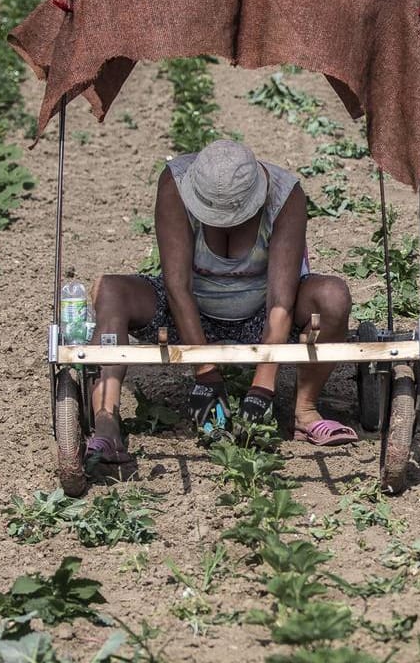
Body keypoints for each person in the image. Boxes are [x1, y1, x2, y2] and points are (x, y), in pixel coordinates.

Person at [87, 139, 358, 459]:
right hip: (186, 310)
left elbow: (280, 301)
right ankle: (106, 422)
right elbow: (178, 287)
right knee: (109, 291)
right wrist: (206, 375)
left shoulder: (286, 196)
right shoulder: (175, 184)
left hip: (262, 313)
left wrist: (261, 388)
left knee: (333, 295)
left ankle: (306, 411)